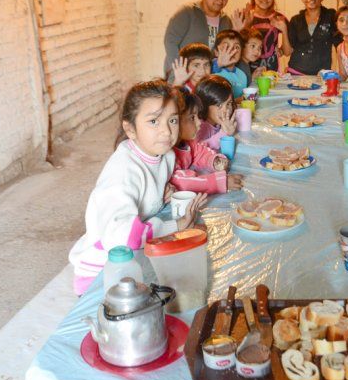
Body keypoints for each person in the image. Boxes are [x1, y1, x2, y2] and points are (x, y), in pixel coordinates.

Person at [68, 80, 208, 295]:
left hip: (136, 255)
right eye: (153, 121)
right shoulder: (123, 171)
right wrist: (176, 226)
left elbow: (145, 194)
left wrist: (161, 194)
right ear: (130, 128)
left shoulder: (165, 156)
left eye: (172, 120)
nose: (166, 131)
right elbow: (124, 236)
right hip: (105, 270)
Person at [171, 92, 244, 194]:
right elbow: (182, 182)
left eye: (197, 116)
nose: (199, 122)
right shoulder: (168, 154)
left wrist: (215, 161)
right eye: (192, 118)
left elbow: (201, 152)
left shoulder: (188, 143)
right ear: (174, 122)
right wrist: (220, 182)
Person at [163, 0, 233, 76]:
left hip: (208, 76)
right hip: (182, 76)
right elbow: (170, 42)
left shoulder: (226, 20)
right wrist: (179, 72)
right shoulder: (187, 12)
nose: (221, 0)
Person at [287, 0, 341, 75]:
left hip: (321, 75)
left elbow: (340, 45)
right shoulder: (296, 20)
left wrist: (342, 71)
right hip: (296, 73)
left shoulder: (330, 16)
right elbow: (289, 48)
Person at [245, 0, 292, 72]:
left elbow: (287, 52)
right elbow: (238, 45)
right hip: (247, 72)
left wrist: (284, 30)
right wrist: (247, 25)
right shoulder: (246, 16)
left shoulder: (279, 18)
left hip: (271, 73)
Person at [195, 75, 237, 150]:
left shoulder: (217, 121)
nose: (226, 110)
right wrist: (223, 134)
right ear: (204, 105)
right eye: (219, 105)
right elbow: (198, 150)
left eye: (228, 103)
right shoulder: (199, 127)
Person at [211, 29, 247, 98]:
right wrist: (219, 64)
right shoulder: (212, 68)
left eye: (236, 47)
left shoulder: (242, 75)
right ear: (216, 52)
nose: (232, 50)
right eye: (226, 47)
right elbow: (204, 75)